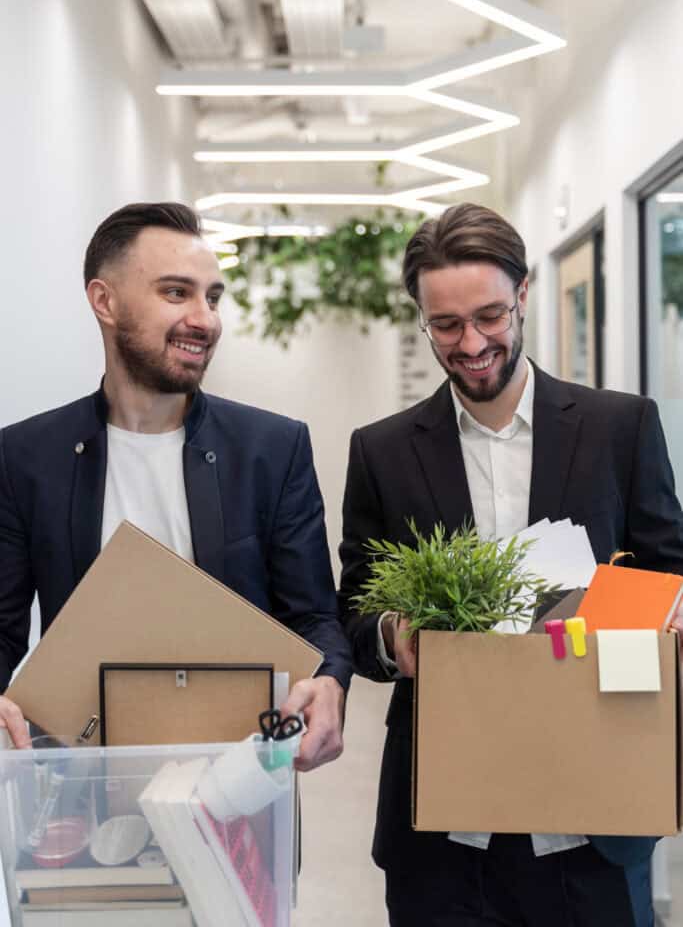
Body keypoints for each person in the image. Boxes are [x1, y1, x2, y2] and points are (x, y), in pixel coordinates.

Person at [339, 202, 683, 926]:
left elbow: (667, 569)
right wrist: (389, 637)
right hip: (442, 824)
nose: (470, 343)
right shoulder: (382, 450)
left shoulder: (619, 427)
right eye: (445, 325)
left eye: (489, 316)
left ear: (523, 295)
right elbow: (354, 608)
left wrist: (668, 611)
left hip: (592, 814)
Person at [0, 201, 351, 768]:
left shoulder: (271, 449)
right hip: (78, 780)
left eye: (212, 297)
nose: (205, 318)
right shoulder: (26, 458)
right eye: (175, 293)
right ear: (104, 301)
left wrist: (331, 680)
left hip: (240, 783)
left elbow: (313, 616)